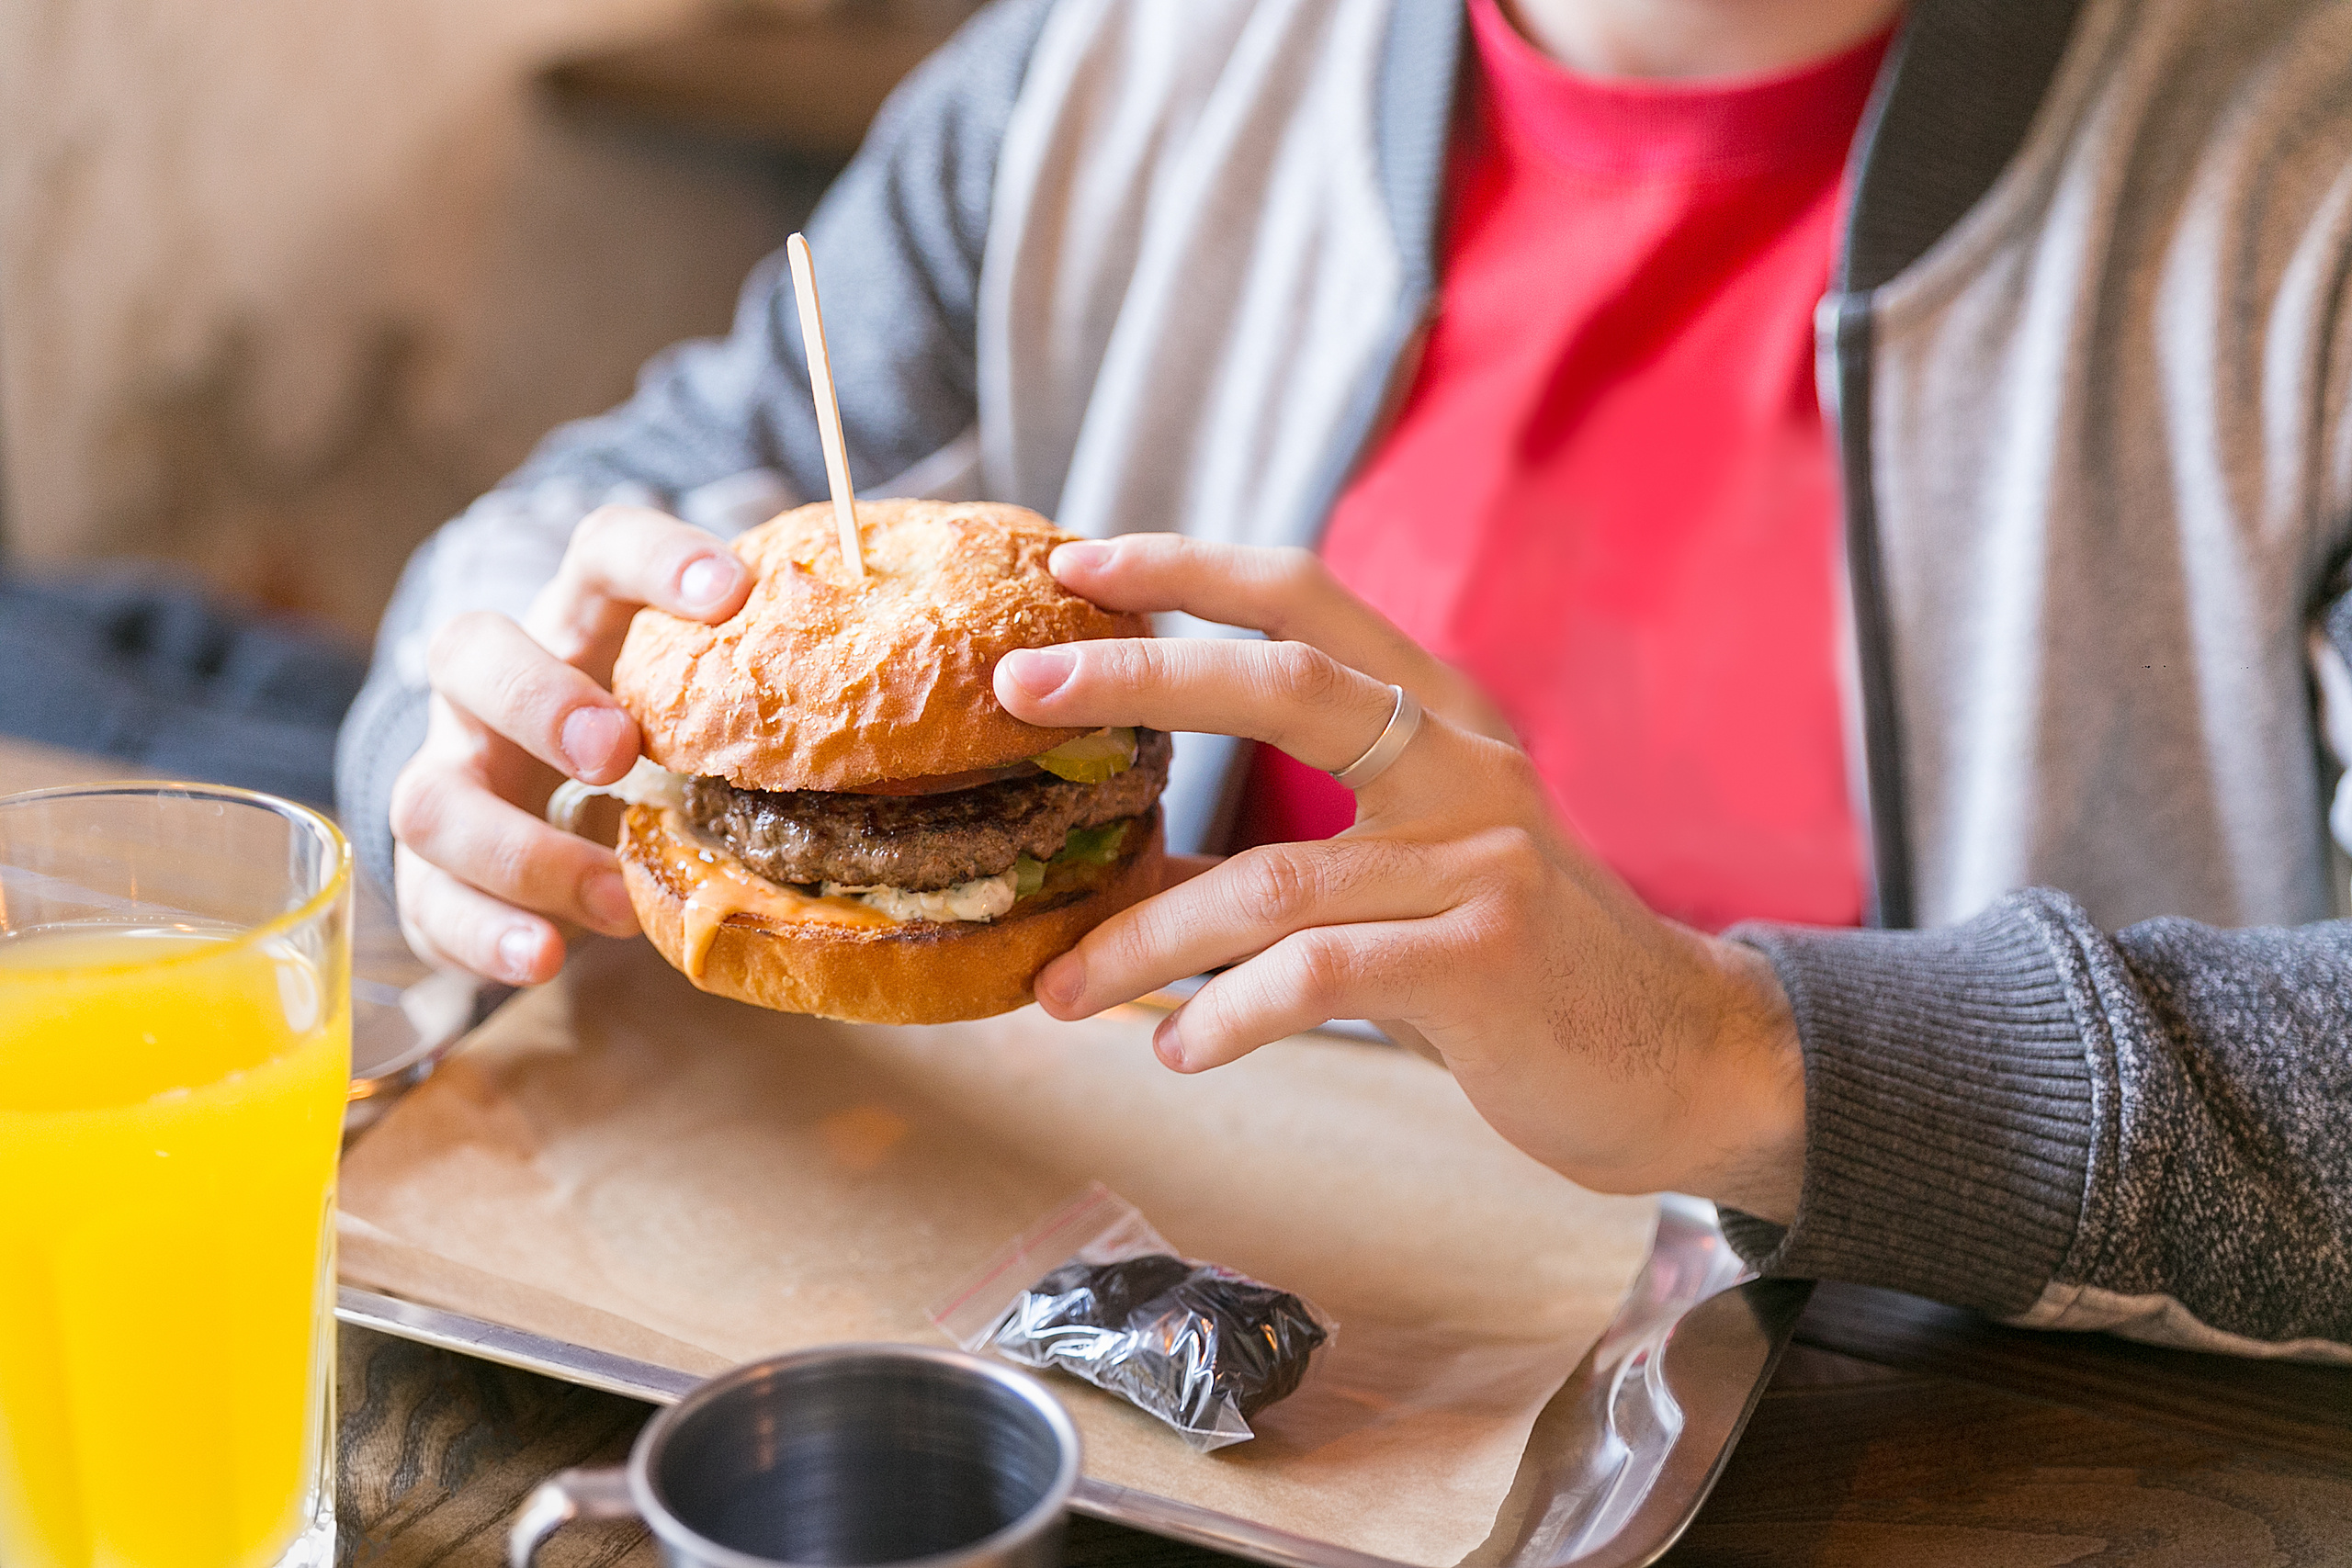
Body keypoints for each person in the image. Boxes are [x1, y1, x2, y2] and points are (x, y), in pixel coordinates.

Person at [337, 0, 2352, 1360]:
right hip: (1113, 1370)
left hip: (1984, 1440)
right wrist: (481, 701)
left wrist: (1736, 1053)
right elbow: (626, 497)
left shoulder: (2299, 183)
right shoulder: (1105, 64)